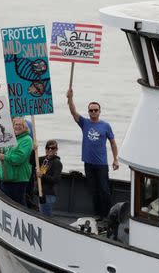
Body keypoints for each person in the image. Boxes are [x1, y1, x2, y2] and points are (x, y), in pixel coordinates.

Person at [66, 88, 119, 219]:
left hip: (101, 164)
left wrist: (115, 159)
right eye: (91, 110)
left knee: (104, 191)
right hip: (88, 163)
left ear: (99, 111)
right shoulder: (85, 123)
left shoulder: (105, 126)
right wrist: (70, 98)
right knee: (94, 191)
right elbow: (73, 112)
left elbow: (113, 143)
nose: (93, 112)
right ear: (88, 112)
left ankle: (108, 216)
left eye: (96, 110)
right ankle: (97, 214)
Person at [0, 117, 33, 206]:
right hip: (6, 177)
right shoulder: (9, 138)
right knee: (6, 204)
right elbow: (0, 155)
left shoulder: (27, 140)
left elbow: (19, 158)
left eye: (20, 125)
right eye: (16, 124)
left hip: (18, 180)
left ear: (25, 127)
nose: (17, 126)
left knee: (18, 204)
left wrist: (5, 157)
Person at [37, 139, 63, 216]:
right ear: (45, 149)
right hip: (42, 192)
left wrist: (43, 176)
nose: (50, 150)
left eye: (53, 148)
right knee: (43, 214)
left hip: (49, 194)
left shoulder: (57, 163)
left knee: (46, 216)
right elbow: (31, 160)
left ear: (56, 150)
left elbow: (56, 179)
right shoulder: (43, 159)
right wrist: (33, 149)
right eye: (48, 148)